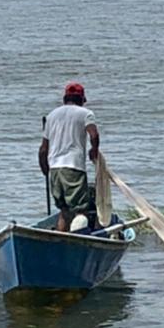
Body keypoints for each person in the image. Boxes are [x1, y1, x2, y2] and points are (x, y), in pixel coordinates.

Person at [39, 81, 100, 232]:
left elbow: (43, 149)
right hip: (73, 167)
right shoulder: (85, 114)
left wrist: (45, 168)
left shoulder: (52, 115)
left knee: (64, 211)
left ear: (65, 99)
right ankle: (77, 242)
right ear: (81, 100)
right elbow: (94, 134)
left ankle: (60, 241)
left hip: (55, 169)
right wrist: (94, 150)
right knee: (80, 211)